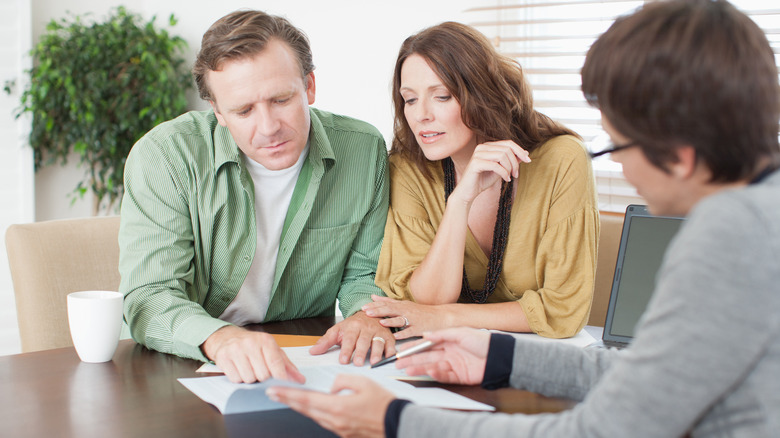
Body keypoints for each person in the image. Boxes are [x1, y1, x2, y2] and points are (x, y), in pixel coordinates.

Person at [266, 0, 780, 436]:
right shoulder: (759, 214)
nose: (618, 164)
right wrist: (501, 357)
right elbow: (650, 375)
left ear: (680, 151)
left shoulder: (731, 237)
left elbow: (601, 429)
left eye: (620, 142)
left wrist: (397, 419)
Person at [119, 10, 394, 384]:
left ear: (309, 86)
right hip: (182, 363)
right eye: (243, 110)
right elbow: (149, 297)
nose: (268, 128)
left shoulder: (363, 150)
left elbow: (364, 274)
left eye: (281, 100)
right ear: (216, 110)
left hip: (304, 361)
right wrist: (219, 338)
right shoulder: (166, 157)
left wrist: (364, 316)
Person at [362, 21, 599, 340]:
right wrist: (459, 202)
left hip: (539, 355)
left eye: (442, 96)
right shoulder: (409, 167)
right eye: (410, 99)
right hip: (441, 353)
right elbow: (420, 303)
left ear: (481, 94)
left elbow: (563, 309)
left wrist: (447, 318)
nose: (421, 115)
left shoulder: (561, 160)